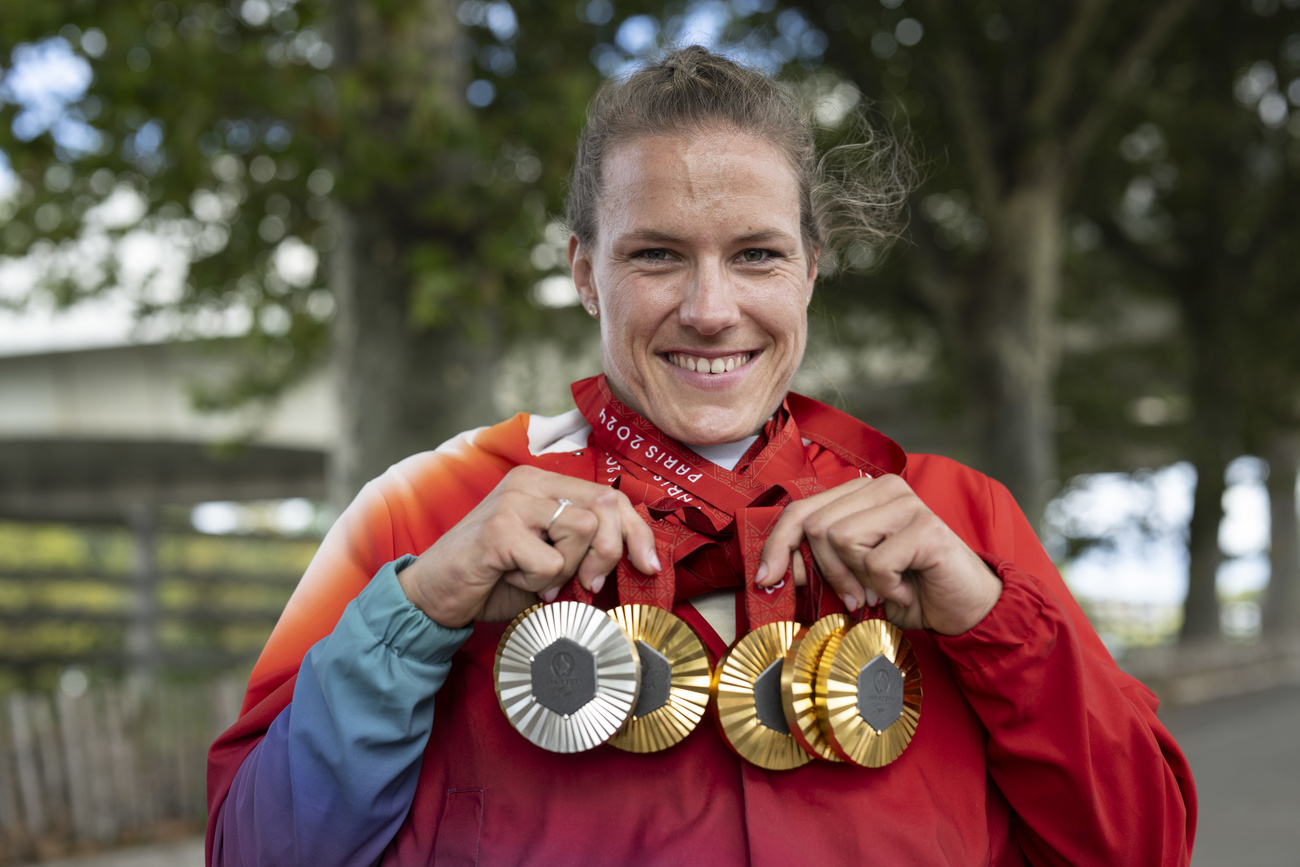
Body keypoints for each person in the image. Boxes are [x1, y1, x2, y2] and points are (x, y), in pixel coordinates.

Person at [206, 46, 1197, 866]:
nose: (711, 308)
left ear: (810, 269)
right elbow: (252, 854)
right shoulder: (431, 512)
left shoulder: (952, 520)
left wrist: (987, 621)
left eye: (755, 255)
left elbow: (1143, 845)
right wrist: (418, 611)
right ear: (585, 273)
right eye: (656, 255)